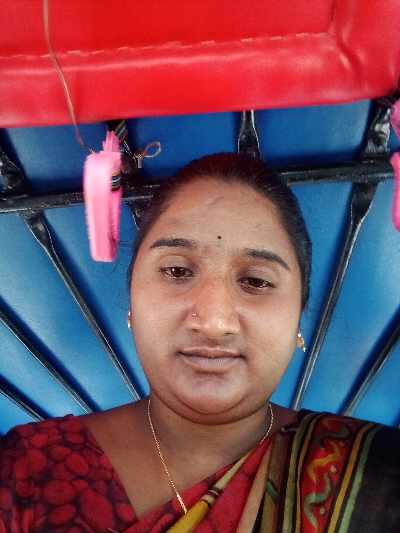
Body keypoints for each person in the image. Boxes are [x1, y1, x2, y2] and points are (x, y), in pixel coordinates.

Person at [0, 153, 399, 532]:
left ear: (298, 317)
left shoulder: (378, 473)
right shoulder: (27, 472)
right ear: (132, 303)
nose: (214, 322)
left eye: (256, 281)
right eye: (176, 271)